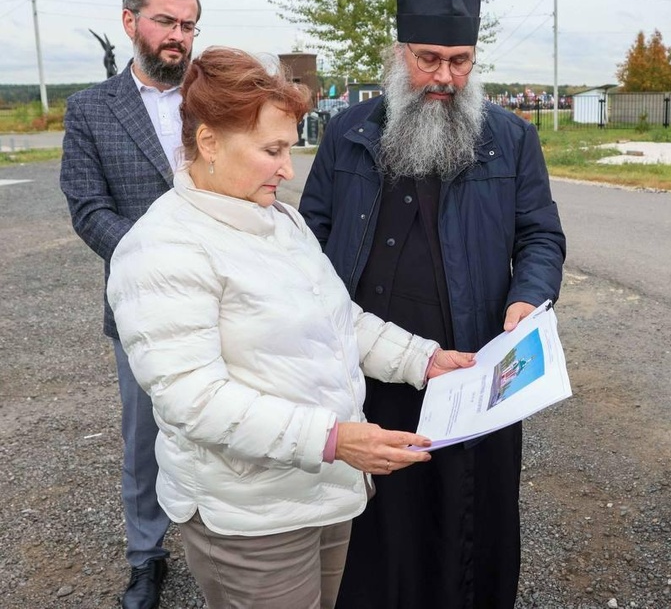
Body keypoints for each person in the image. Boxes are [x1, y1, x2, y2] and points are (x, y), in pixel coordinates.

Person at [106, 46, 476, 609]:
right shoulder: (162, 251)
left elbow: (337, 319)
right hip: (250, 515)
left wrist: (423, 360)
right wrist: (332, 439)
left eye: (289, 148)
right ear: (208, 142)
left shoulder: (280, 220)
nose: (288, 168)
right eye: (272, 150)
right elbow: (194, 400)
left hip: (323, 491)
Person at [299, 0, 566, 609]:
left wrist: (526, 299)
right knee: (378, 526)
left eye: (461, 59)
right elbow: (309, 231)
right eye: (429, 59)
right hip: (368, 370)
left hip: (470, 366)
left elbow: (540, 236)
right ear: (399, 54)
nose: (445, 76)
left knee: (467, 517)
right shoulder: (347, 133)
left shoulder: (510, 139)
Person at [60, 0, 201, 609]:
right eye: (166, 22)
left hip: (227, 296)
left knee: (230, 425)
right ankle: (148, 556)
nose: (178, 37)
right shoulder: (92, 110)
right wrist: (160, 259)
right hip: (143, 303)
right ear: (130, 23)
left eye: (188, 25)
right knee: (146, 436)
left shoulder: (213, 95)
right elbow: (89, 209)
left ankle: (224, 540)